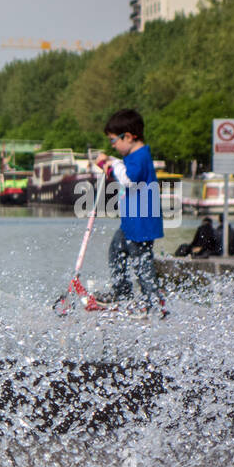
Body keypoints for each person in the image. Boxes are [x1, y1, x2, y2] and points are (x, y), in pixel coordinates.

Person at [94, 109, 167, 318]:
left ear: (128, 136)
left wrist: (111, 164)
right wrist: (112, 164)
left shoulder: (140, 156)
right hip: (131, 221)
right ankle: (122, 292)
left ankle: (153, 304)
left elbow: (129, 179)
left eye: (113, 140)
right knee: (116, 251)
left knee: (142, 263)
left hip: (142, 222)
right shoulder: (133, 156)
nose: (113, 145)